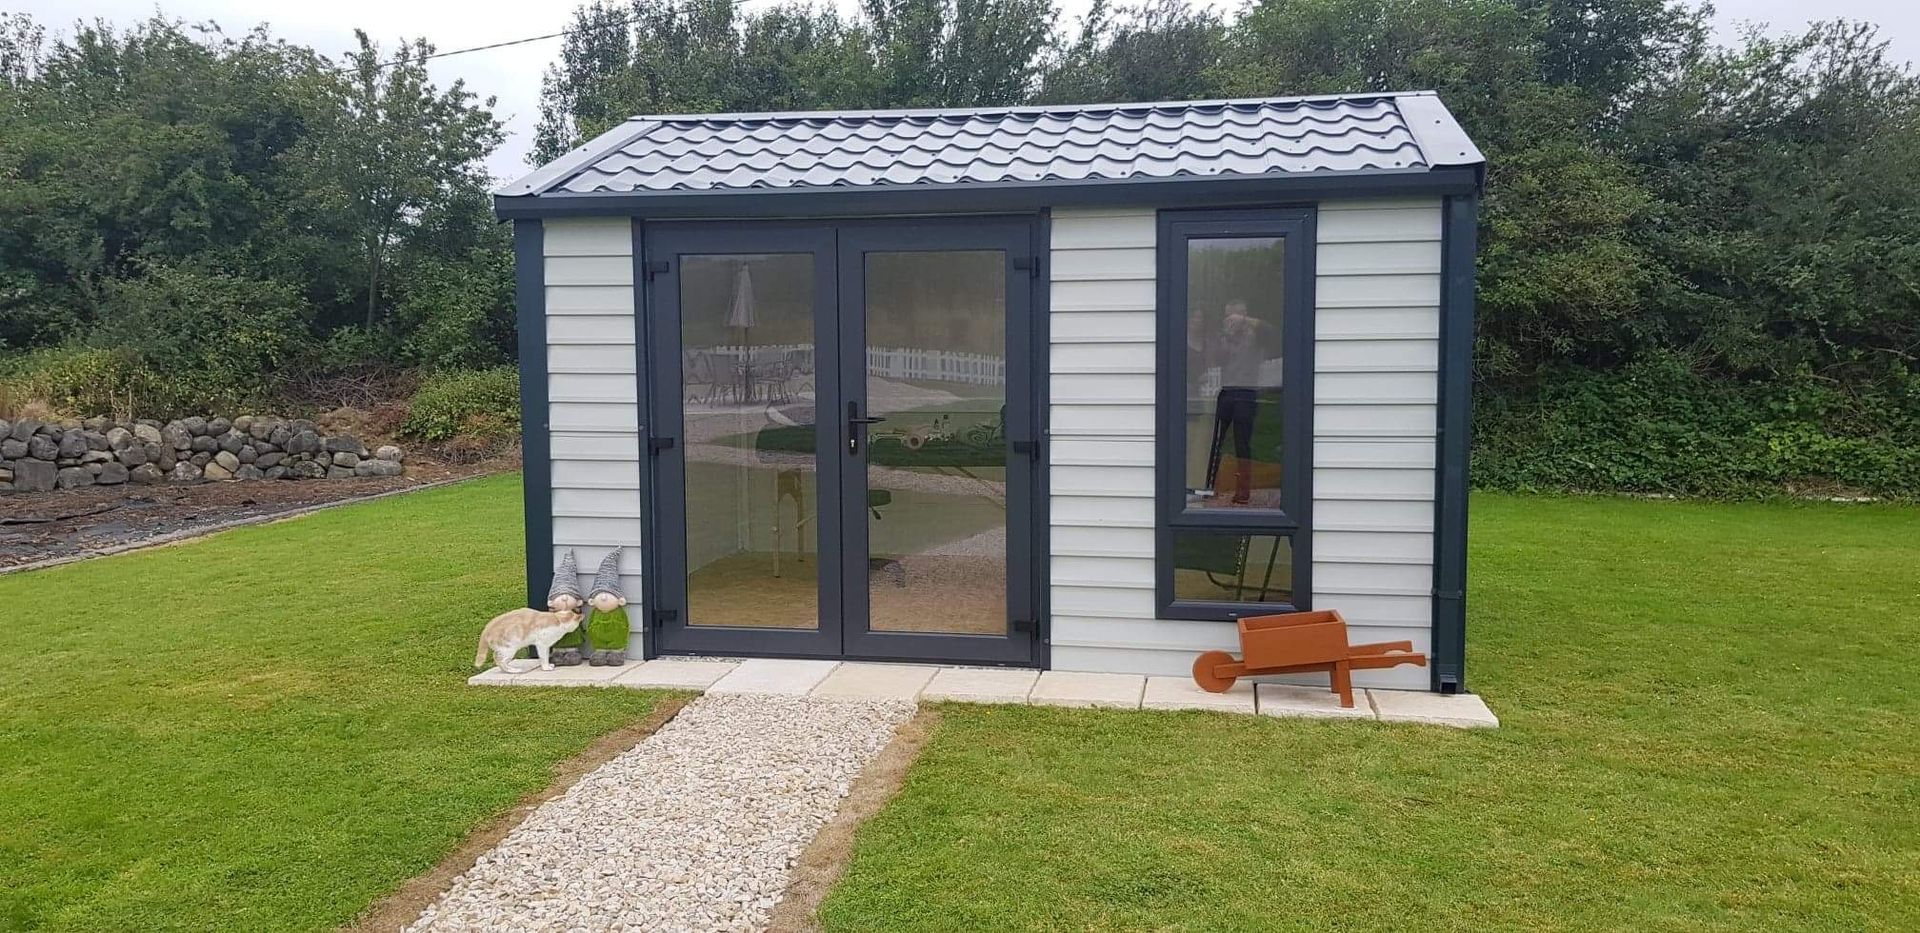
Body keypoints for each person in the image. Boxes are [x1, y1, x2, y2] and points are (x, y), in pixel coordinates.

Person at [1200, 300, 1270, 505]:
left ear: (1244, 315)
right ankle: (1210, 487)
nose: (1231, 320)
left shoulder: (1255, 335)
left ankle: (1243, 490)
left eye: (1235, 316)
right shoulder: (1224, 339)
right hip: (1227, 391)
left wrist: (1245, 322)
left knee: (1242, 443)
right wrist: (1222, 338)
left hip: (1246, 393)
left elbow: (1271, 332)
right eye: (1227, 316)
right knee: (1218, 442)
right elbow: (1212, 360)